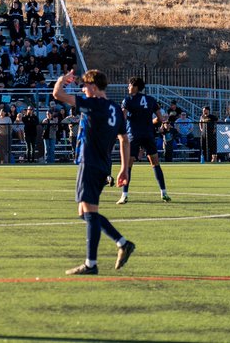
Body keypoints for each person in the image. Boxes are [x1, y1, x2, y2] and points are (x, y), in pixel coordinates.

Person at [52, 69, 135, 275]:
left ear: (94, 87)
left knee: (89, 212)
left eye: (85, 86)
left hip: (89, 163)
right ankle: (122, 243)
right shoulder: (116, 109)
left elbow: (58, 95)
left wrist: (61, 81)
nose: (83, 89)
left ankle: (91, 263)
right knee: (84, 212)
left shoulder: (93, 104)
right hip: (104, 165)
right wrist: (124, 168)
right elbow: (124, 139)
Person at [118, 78, 171, 204]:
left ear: (135, 87)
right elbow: (159, 119)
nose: (128, 87)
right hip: (148, 135)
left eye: (129, 85)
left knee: (128, 165)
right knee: (155, 164)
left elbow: (123, 118)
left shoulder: (128, 100)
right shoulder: (151, 99)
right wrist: (148, 122)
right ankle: (164, 193)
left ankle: (124, 195)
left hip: (133, 136)